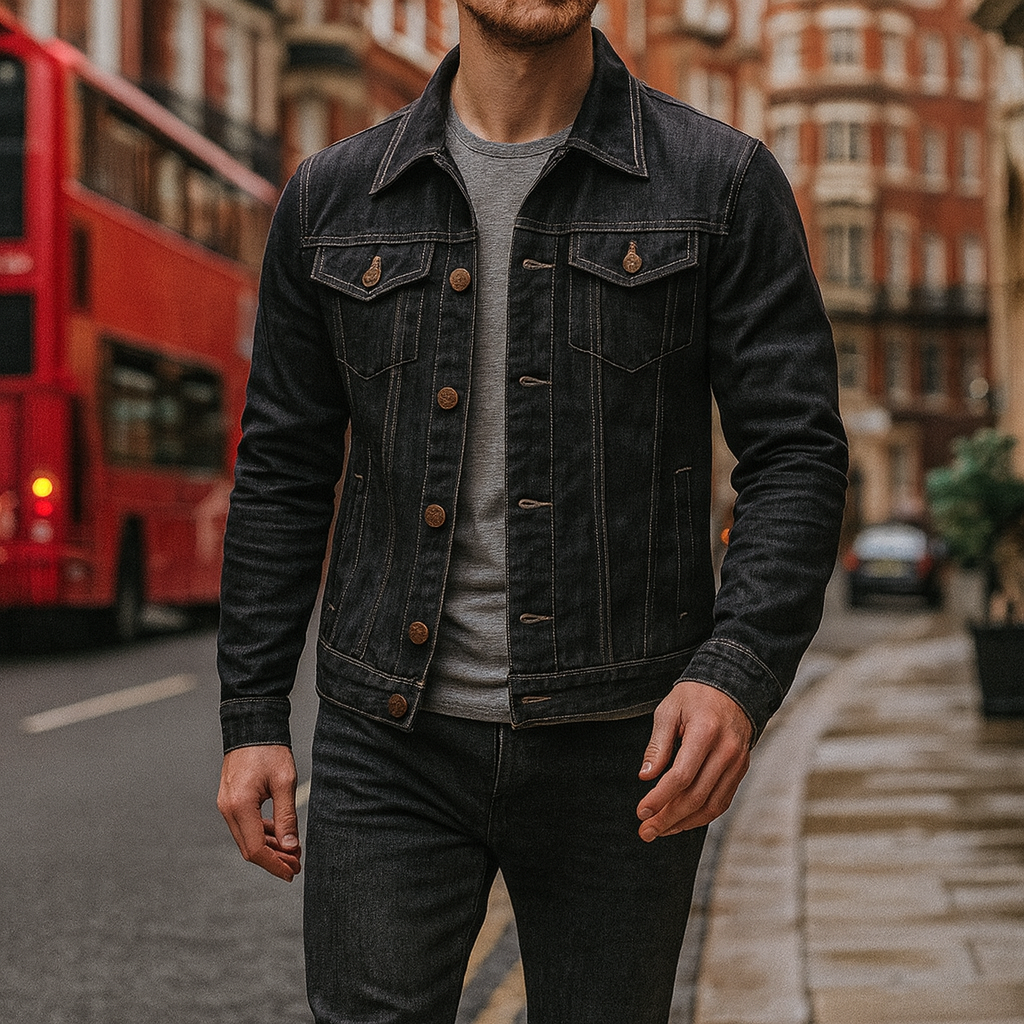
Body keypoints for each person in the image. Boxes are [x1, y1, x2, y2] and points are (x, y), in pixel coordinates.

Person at [216, 0, 848, 1019]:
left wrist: (734, 673)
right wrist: (251, 717)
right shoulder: (331, 198)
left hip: (624, 748)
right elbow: (283, 468)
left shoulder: (720, 183)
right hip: (389, 741)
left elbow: (796, 452)